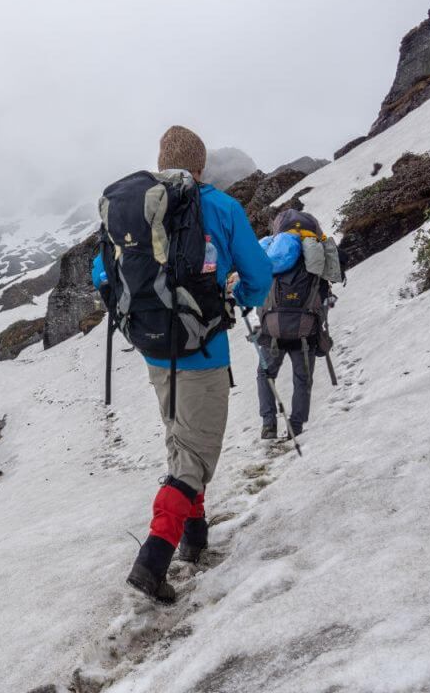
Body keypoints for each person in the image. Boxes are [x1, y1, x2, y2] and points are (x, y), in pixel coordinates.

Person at [92, 125, 272, 603]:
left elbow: (99, 272)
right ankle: (153, 560)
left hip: (155, 349)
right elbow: (259, 275)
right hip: (203, 352)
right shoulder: (220, 207)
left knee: (180, 439)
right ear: (201, 165)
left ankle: (195, 537)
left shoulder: (140, 207)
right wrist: (238, 298)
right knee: (193, 455)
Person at [254, 208, 341, 440]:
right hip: (306, 332)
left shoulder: (274, 257)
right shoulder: (316, 260)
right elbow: (324, 297)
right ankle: (296, 426)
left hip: (272, 330)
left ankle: (268, 423)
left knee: (265, 374)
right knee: (303, 378)